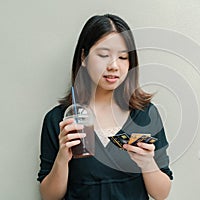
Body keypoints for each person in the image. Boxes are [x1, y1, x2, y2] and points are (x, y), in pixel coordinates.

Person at [37, 14, 173, 200]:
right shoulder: (60, 120)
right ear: (84, 57)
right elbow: (49, 196)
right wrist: (62, 157)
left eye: (123, 57)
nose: (114, 66)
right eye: (103, 55)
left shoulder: (146, 114)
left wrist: (148, 163)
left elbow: (161, 193)